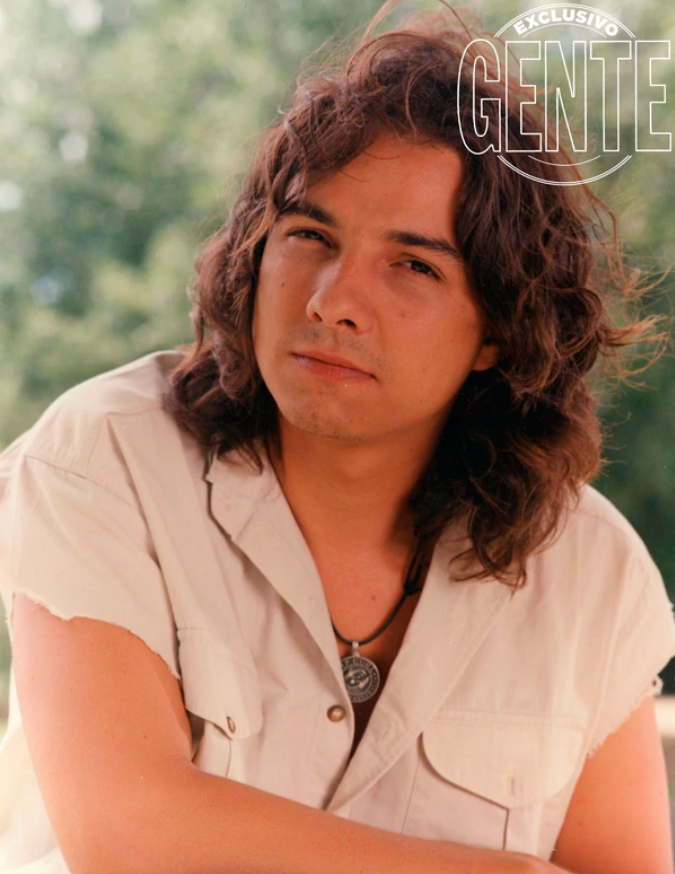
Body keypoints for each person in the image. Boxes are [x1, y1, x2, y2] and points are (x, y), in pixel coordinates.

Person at [1, 3, 674, 873]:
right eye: (309, 237)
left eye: (412, 265)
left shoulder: (590, 573)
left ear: (499, 328)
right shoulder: (103, 461)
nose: (331, 301)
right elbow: (130, 834)